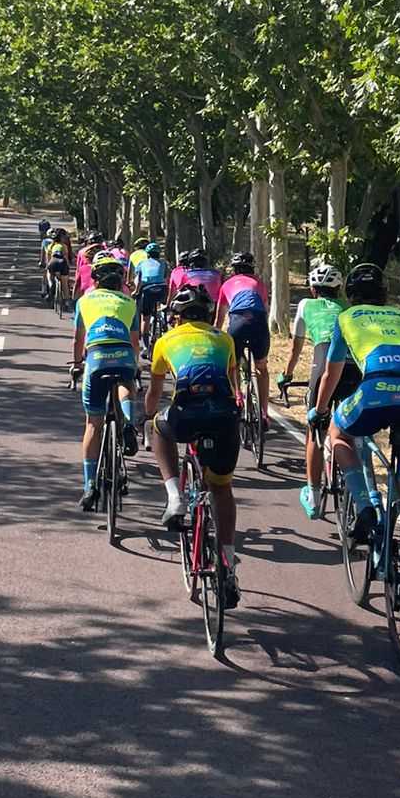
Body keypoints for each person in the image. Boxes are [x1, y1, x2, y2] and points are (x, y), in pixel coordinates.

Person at [313, 261, 400, 547]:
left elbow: (332, 373)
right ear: (384, 292)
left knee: (338, 433)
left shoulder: (346, 317)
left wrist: (320, 409)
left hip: (375, 390)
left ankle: (364, 504)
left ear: (350, 294)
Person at [146, 283, 243, 607]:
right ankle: (227, 564)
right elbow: (232, 382)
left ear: (177, 317)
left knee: (157, 427)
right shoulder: (224, 338)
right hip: (224, 417)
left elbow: (155, 395)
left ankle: (175, 498)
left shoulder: (165, 341)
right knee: (221, 488)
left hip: (186, 415)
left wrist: (146, 416)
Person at [71, 253, 142, 511]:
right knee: (127, 380)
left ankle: (90, 486)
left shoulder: (84, 301)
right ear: (121, 281)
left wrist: (77, 364)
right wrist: (135, 366)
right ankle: (129, 423)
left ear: (96, 279)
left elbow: (79, 340)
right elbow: (135, 343)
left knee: (93, 424)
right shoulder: (130, 302)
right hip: (123, 354)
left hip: (96, 358)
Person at [277, 260, 345, 518]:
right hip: (353, 370)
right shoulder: (349, 308)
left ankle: (314, 496)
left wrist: (287, 374)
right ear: (339, 290)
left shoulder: (306, 305)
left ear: (313, 289)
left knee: (314, 428)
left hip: (324, 364)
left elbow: (296, 347)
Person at [216, 252, 271, 433]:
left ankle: (237, 396)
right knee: (261, 368)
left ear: (234, 270)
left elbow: (219, 319)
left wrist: (216, 336)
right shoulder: (260, 284)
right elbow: (265, 310)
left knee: (233, 364)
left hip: (237, 322)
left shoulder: (226, 285)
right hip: (259, 322)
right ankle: (264, 413)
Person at [131, 240, 169, 338]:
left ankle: (145, 346)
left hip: (147, 289)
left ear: (147, 254)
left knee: (145, 318)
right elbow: (166, 278)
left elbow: (139, 279)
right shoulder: (164, 263)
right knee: (163, 305)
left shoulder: (142, 263)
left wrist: (136, 291)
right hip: (162, 288)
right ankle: (164, 319)